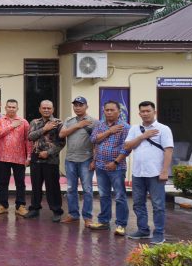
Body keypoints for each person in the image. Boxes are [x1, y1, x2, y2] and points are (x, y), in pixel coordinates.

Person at [124, 101, 174, 245]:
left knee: (158, 205)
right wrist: (143, 136)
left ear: (154, 112)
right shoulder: (135, 129)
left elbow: (168, 150)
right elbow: (127, 146)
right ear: (139, 113)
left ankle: (159, 233)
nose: (145, 114)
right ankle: (143, 230)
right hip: (138, 173)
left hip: (155, 173)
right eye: (143, 111)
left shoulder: (163, 129)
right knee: (138, 203)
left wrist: (164, 171)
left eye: (148, 111)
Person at [88, 100, 131, 235]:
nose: (109, 112)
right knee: (104, 195)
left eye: (112, 110)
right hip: (100, 166)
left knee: (119, 196)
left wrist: (115, 162)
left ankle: (121, 224)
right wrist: (109, 131)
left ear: (119, 111)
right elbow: (93, 140)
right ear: (104, 111)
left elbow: (127, 148)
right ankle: (104, 221)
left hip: (116, 168)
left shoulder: (125, 127)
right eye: (107, 110)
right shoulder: (100, 125)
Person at [59, 96, 96, 226]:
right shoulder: (69, 120)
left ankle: (87, 217)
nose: (78, 107)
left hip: (86, 160)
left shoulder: (93, 122)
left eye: (81, 105)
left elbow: (96, 142)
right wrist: (78, 125)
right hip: (70, 160)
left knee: (87, 189)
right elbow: (62, 134)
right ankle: (73, 214)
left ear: (86, 106)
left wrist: (94, 160)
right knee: (70, 189)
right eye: (75, 105)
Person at [26, 100, 66, 221]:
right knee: (36, 186)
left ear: (53, 109)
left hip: (51, 160)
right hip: (36, 159)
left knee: (53, 187)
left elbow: (61, 143)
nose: (46, 110)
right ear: (40, 109)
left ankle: (56, 211)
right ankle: (34, 209)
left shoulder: (59, 123)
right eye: (44, 108)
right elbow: (30, 137)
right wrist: (44, 129)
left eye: (49, 108)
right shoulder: (34, 122)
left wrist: (48, 152)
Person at [0, 99, 31, 216]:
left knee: (20, 183)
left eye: (14, 107)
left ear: (17, 108)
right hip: (3, 157)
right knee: (2, 182)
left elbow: (28, 140)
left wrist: (29, 156)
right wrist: (11, 126)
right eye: (9, 107)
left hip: (19, 157)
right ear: (5, 108)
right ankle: (2, 205)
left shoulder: (24, 122)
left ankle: (20, 206)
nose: (11, 109)